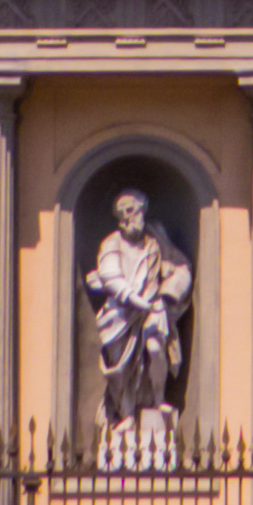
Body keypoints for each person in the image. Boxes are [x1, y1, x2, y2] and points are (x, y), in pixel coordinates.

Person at [86, 189, 194, 468]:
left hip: (154, 306)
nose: (127, 217)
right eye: (122, 212)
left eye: (132, 210)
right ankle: (127, 414)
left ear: (142, 211)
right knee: (120, 366)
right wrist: (134, 300)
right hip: (121, 314)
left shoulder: (156, 238)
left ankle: (158, 402)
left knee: (156, 347)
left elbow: (182, 268)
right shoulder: (112, 242)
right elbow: (110, 275)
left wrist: (166, 293)